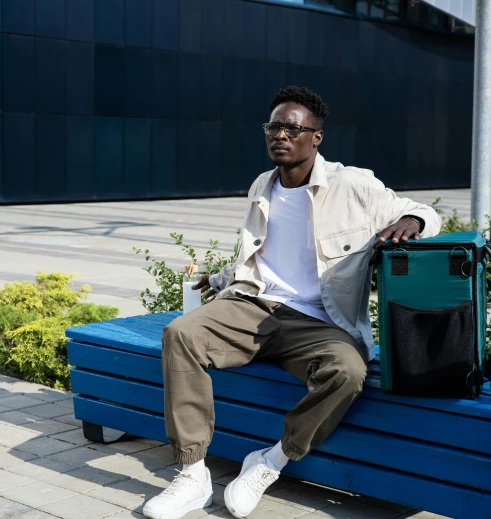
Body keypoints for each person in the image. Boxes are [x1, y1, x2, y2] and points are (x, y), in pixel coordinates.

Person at [141, 86, 441, 519]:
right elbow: (259, 254)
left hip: (321, 321)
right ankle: (192, 475)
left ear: (315, 137)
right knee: (180, 333)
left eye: (291, 128)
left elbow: (424, 211)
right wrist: (220, 278)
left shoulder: (352, 184)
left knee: (348, 371)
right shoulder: (262, 186)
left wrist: (410, 221)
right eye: (273, 126)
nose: (280, 135)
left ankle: (270, 461)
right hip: (254, 306)